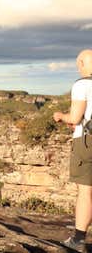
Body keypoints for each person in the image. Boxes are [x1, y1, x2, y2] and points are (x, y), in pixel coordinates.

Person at [54, 49, 92, 252]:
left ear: (82, 64)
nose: (78, 67)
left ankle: (78, 239)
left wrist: (61, 115)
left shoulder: (83, 84)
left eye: (79, 64)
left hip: (87, 143)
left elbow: (76, 118)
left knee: (85, 192)